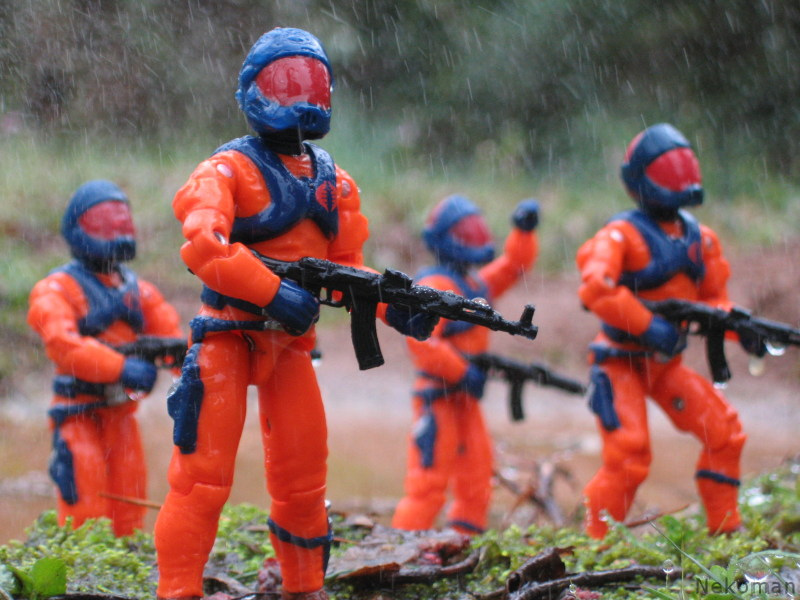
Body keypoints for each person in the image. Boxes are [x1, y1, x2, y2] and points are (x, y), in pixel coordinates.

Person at [153, 28, 437, 600]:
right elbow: (203, 247)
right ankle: (178, 591)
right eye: (286, 84)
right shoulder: (226, 171)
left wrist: (394, 308)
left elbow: (350, 270)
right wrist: (270, 291)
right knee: (201, 482)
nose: (302, 99)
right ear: (252, 91)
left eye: (313, 85)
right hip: (226, 338)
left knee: (304, 482)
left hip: (290, 349)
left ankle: (305, 587)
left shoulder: (336, 182)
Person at [576, 123, 757, 539]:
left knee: (724, 434)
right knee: (629, 455)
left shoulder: (701, 240)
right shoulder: (620, 235)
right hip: (618, 362)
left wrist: (741, 329)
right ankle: (595, 545)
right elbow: (596, 288)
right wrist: (648, 326)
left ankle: (725, 531)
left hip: (664, 365)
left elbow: (713, 303)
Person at [27, 179, 183, 537]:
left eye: (121, 221)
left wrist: (192, 368)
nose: (117, 230)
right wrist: (122, 368)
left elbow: (173, 339)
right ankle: (82, 560)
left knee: (129, 494)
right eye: (104, 223)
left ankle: (125, 556)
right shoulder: (56, 289)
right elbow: (63, 345)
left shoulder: (138, 291)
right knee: (84, 490)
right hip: (77, 412)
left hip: (121, 415)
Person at [391, 194, 539, 535]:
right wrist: (460, 370)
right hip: (437, 397)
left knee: (476, 474)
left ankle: (463, 542)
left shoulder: (474, 285)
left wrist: (524, 233)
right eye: (467, 234)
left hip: (465, 399)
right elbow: (420, 339)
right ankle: (403, 547)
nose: (476, 239)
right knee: (428, 480)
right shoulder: (435, 286)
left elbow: (512, 267)